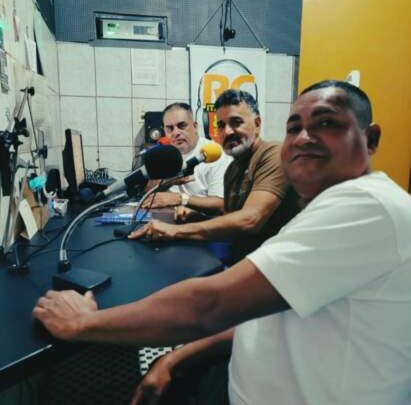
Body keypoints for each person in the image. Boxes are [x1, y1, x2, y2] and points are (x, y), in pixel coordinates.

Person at [33, 80, 411, 405]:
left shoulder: (367, 205)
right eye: (294, 127)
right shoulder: (325, 207)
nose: (302, 138)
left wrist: (86, 323)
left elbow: (210, 305)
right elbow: (262, 313)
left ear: (371, 138)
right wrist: (175, 359)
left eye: (326, 123)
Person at [131, 90, 299, 262]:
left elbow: (250, 219)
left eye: (236, 122)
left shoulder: (273, 154)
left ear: (257, 124)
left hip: (272, 264)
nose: (227, 131)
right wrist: (197, 216)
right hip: (241, 259)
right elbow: (228, 218)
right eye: (221, 125)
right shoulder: (234, 168)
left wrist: (174, 229)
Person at [141, 102, 232, 214]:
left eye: (182, 126)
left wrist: (180, 199)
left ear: (195, 127)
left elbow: (222, 205)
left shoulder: (216, 154)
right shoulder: (164, 154)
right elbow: (147, 194)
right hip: (164, 218)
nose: (176, 132)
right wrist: (168, 182)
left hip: (202, 221)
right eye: (170, 128)